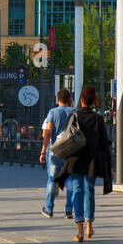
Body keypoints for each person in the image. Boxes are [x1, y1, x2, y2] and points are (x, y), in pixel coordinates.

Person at [56, 84, 112, 242]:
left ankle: (79, 231)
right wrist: (109, 165)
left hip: (75, 160)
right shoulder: (98, 119)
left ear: (81, 100)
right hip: (92, 162)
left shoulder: (73, 117)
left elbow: (65, 136)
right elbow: (104, 144)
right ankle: (89, 226)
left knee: (77, 192)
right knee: (89, 191)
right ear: (93, 101)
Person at [39, 88, 74, 219]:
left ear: (57, 100)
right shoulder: (75, 112)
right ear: (70, 99)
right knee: (70, 179)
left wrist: (43, 150)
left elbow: (48, 133)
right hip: (71, 151)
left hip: (54, 151)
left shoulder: (52, 112)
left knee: (52, 179)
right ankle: (69, 210)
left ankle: (49, 208)